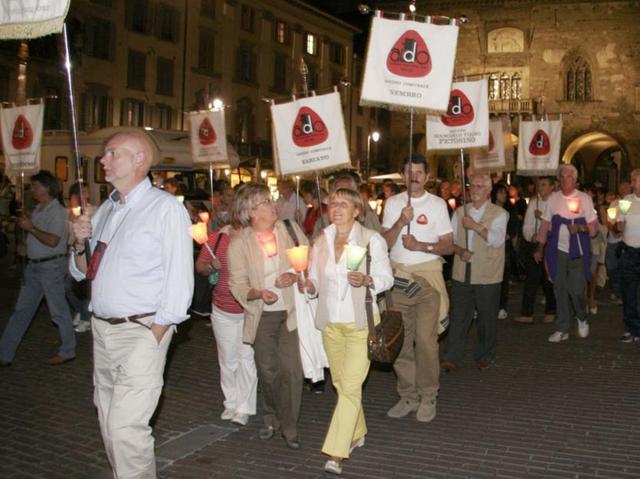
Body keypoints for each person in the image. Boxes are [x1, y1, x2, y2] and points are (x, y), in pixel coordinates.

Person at [69, 131, 194, 478]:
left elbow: (179, 277)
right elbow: (83, 273)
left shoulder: (166, 208)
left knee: (126, 427)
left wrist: (157, 331)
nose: (103, 160)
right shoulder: (107, 208)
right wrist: (79, 243)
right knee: (109, 419)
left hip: (141, 330)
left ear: (139, 159)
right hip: (103, 330)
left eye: (112, 153)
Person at [300, 188, 393, 475]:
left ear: (357, 210)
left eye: (344, 204)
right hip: (331, 325)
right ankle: (358, 430)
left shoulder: (371, 240)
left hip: (360, 324)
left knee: (350, 387)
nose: (337, 208)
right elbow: (314, 280)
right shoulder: (321, 241)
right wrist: (309, 286)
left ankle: (337, 452)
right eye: (333, 204)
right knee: (342, 386)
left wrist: (368, 279)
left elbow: (387, 278)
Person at [228, 183, 308, 449]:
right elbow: (236, 284)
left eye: (271, 199)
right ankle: (271, 413)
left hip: (291, 311)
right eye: (266, 201)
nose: (273, 204)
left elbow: (309, 262)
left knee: (292, 371)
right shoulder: (240, 243)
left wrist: (295, 274)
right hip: (262, 315)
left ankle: (290, 424)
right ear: (251, 211)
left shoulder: (289, 229)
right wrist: (258, 293)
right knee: (268, 371)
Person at [381, 156, 453, 422]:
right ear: (402, 176)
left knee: (425, 341)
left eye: (419, 173)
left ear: (427, 176)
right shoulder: (392, 203)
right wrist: (400, 222)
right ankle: (408, 395)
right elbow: (384, 243)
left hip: (427, 281)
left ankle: (428, 395)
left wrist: (422, 246)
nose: (414, 177)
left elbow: (448, 245)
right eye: (409, 172)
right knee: (400, 342)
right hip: (398, 278)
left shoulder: (438, 205)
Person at [0, 170, 75, 367]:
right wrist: (27, 247)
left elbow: (52, 240)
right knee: (21, 311)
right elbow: (39, 238)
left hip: (51, 267)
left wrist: (31, 228)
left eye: (35, 186)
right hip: (34, 267)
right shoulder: (39, 209)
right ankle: (4, 353)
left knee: (58, 312)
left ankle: (68, 350)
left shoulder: (58, 212)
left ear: (46, 188)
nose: (31, 189)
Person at [441, 173, 508, 371]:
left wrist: (476, 226)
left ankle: (485, 355)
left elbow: (496, 240)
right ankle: (452, 356)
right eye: (472, 186)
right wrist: (459, 250)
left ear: (488, 190)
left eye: (480, 186)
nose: (475, 190)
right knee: (459, 315)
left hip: (487, 273)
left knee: (487, 317)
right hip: (462, 271)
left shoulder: (499, 214)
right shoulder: (460, 212)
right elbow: (450, 240)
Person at [196, 224, 257, 426]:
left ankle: (244, 406)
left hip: (248, 309)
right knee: (227, 358)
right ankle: (230, 402)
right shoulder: (217, 238)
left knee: (246, 358)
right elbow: (200, 266)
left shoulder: (256, 237)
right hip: (222, 309)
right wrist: (211, 266)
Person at [534, 164, 599, 342]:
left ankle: (581, 317)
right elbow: (545, 225)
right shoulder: (553, 199)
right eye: (562, 177)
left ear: (576, 179)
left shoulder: (584, 198)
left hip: (577, 249)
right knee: (559, 288)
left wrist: (581, 227)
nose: (565, 180)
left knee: (576, 289)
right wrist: (540, 248)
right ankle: (562, 327)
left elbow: (594, 229)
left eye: (569, 177)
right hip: (557, 250)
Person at [515, 176, 557, 323]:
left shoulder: (557, 203)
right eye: (539, 185)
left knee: (548, 278)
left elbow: (558, 225)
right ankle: (527, 313)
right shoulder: (534, 202)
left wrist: (543, 218)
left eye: (544, 185)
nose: (541, 188)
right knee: (531, 278)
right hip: (534, 244)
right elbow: (526, 225)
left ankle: (551, 309)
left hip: (551, 244)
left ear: (552, 187)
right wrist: (530, 236)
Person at [613, 168, 640, 343]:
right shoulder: (626, 202)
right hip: (630, 253)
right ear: (632, 183)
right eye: (637, 180)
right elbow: (618, 227)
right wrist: (618, 225)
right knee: (629, 293)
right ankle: (632, 329)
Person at [65, 182, 96, 333]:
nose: (87, 196)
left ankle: (85, 317)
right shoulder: (68, 213)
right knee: (69, 288)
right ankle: (80, 310)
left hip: (86, 254)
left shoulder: (93, 211)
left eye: (87, 193)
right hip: (71, 253)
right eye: (83, 193)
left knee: (85, 287)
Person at [491, 182, 514, 320]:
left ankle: (501, 306)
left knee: (503, 277)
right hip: (490, 246)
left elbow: (511, 231)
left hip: (503, 247)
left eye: (505, 192)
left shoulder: (508, 211)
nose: (504, 195)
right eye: (500, 192)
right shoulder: (489, 210)